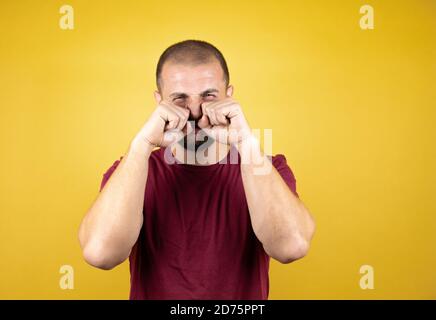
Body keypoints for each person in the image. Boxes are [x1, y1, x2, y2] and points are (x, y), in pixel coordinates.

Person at [78, 39, 316, 299]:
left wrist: (245, 142)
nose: (193, 111)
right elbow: (100, 254)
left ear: (229, 96)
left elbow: (291, 247)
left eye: (209, 96)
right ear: (159, 102)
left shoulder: (267, 167)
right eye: (179, 98)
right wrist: (142, 144)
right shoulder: (132, 170)